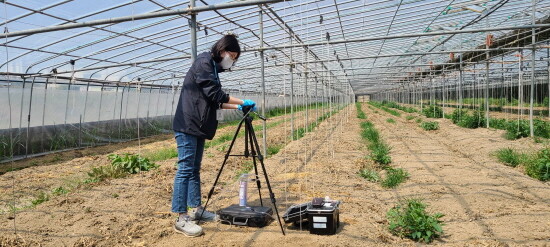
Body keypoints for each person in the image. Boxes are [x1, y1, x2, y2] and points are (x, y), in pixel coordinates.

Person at [171, 34, 256, 237]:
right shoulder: (203, 62)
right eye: (232, 55)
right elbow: (216, 95)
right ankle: (181, 218)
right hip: (187, 124)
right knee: (185, 169)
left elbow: (216, 102)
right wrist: (241, 100)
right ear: (222, 50)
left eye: (235, 58)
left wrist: (239, 105)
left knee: (194, 170)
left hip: (198, 126)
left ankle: (196, 209)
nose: (232, 60)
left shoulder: (213, 69)